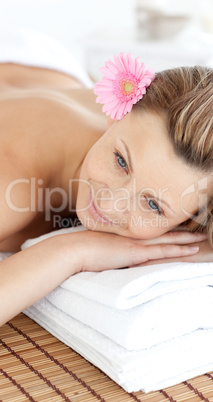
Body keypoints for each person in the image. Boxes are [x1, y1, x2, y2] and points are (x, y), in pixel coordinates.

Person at [0, 27, 212, 326]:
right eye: (121, 162)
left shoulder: (144, 133)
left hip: (46, 75)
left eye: (153, 205)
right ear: (117, 115)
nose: (110, 204)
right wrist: (71, 251)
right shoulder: (12, 188)